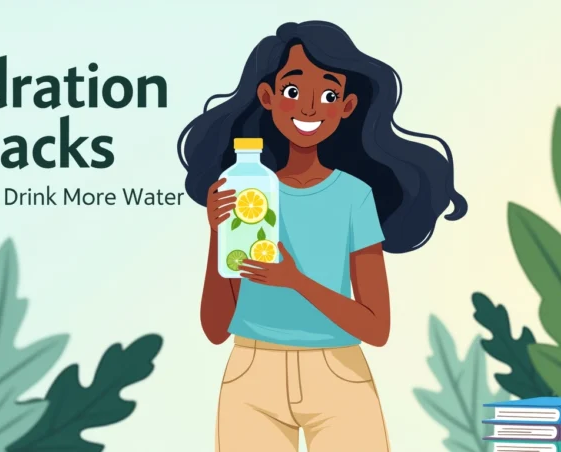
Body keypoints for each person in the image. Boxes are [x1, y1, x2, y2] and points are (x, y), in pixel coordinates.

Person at [176, 21, 467, 452]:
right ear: (268, 97)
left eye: (328, 95)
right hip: (251, 372)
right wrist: (217, 234)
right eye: (293, 92)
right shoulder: (246, 192)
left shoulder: (354, 196)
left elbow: (376, 326)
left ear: (348, 106)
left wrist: (295, 280)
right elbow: (215, 328)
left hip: (338, 373)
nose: (310, 109)